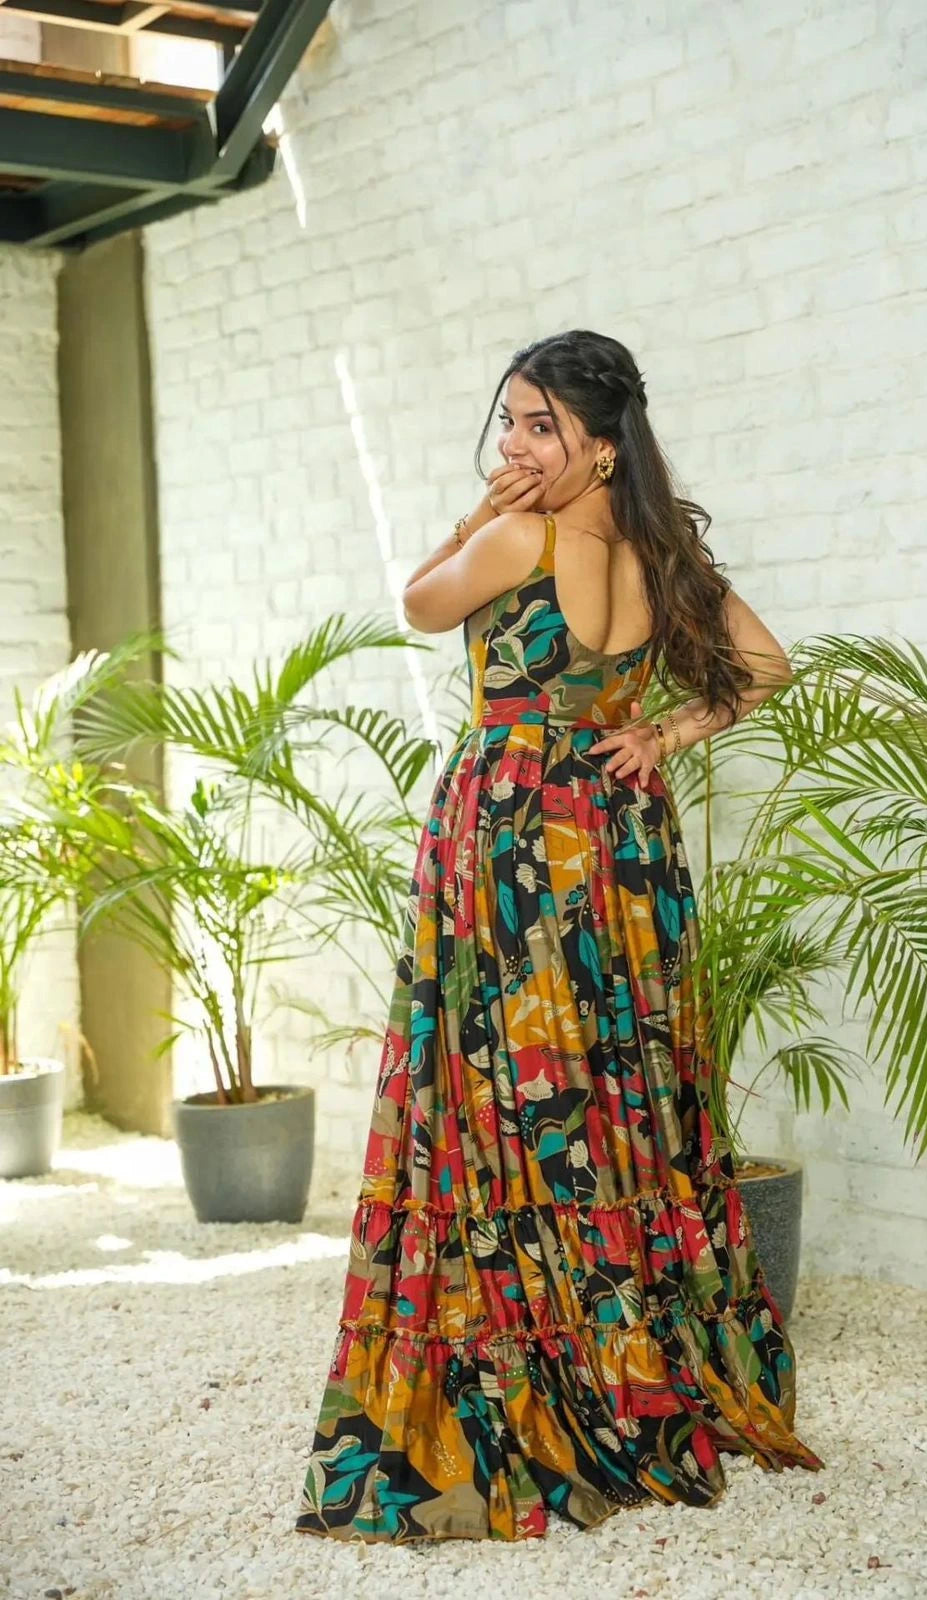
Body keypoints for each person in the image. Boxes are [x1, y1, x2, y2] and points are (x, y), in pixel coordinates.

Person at [295, 328, 822, 1544]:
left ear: (597, 444)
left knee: (496, 1088)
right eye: (510, 423)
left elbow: (419, 606)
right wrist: (664, 740)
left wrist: (471, 511)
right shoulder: (657, 545)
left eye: (540, 426)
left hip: (512, 830)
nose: (516, 445)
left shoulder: (519, 533)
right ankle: (631, 1365)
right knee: (610, 1088)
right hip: (621, 838)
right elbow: (762, 663)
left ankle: (534, 1366)